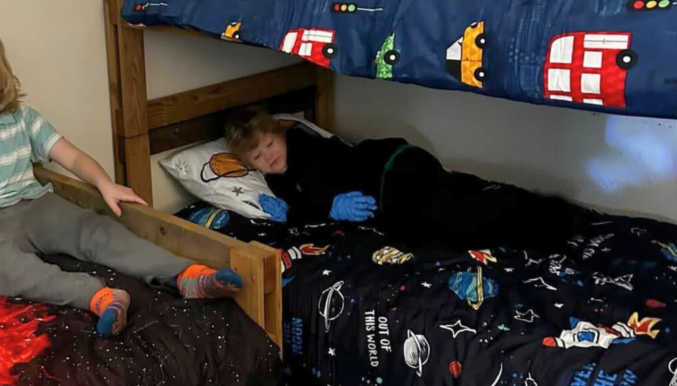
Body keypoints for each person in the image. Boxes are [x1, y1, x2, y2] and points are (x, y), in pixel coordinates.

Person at [0, 25, 242, 337]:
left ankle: (187, 275)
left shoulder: (19, 118)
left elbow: (69, 155)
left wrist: (104, 184)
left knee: (94, 229)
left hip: (31, 205)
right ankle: (98, 296)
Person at [225, 107, 579, 253]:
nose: (268, 156)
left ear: (280, 134)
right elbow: (307, 207)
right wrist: (295, 213)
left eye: (269, 144)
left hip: (391, 169)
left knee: (448, 218)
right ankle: (544, 219)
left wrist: (318, 207)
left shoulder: (306, 146)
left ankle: (551, 220)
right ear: (250, 164)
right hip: (390, 186)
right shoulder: (279, 180)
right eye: (257, 156)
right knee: (445, 215)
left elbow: (320, 187)